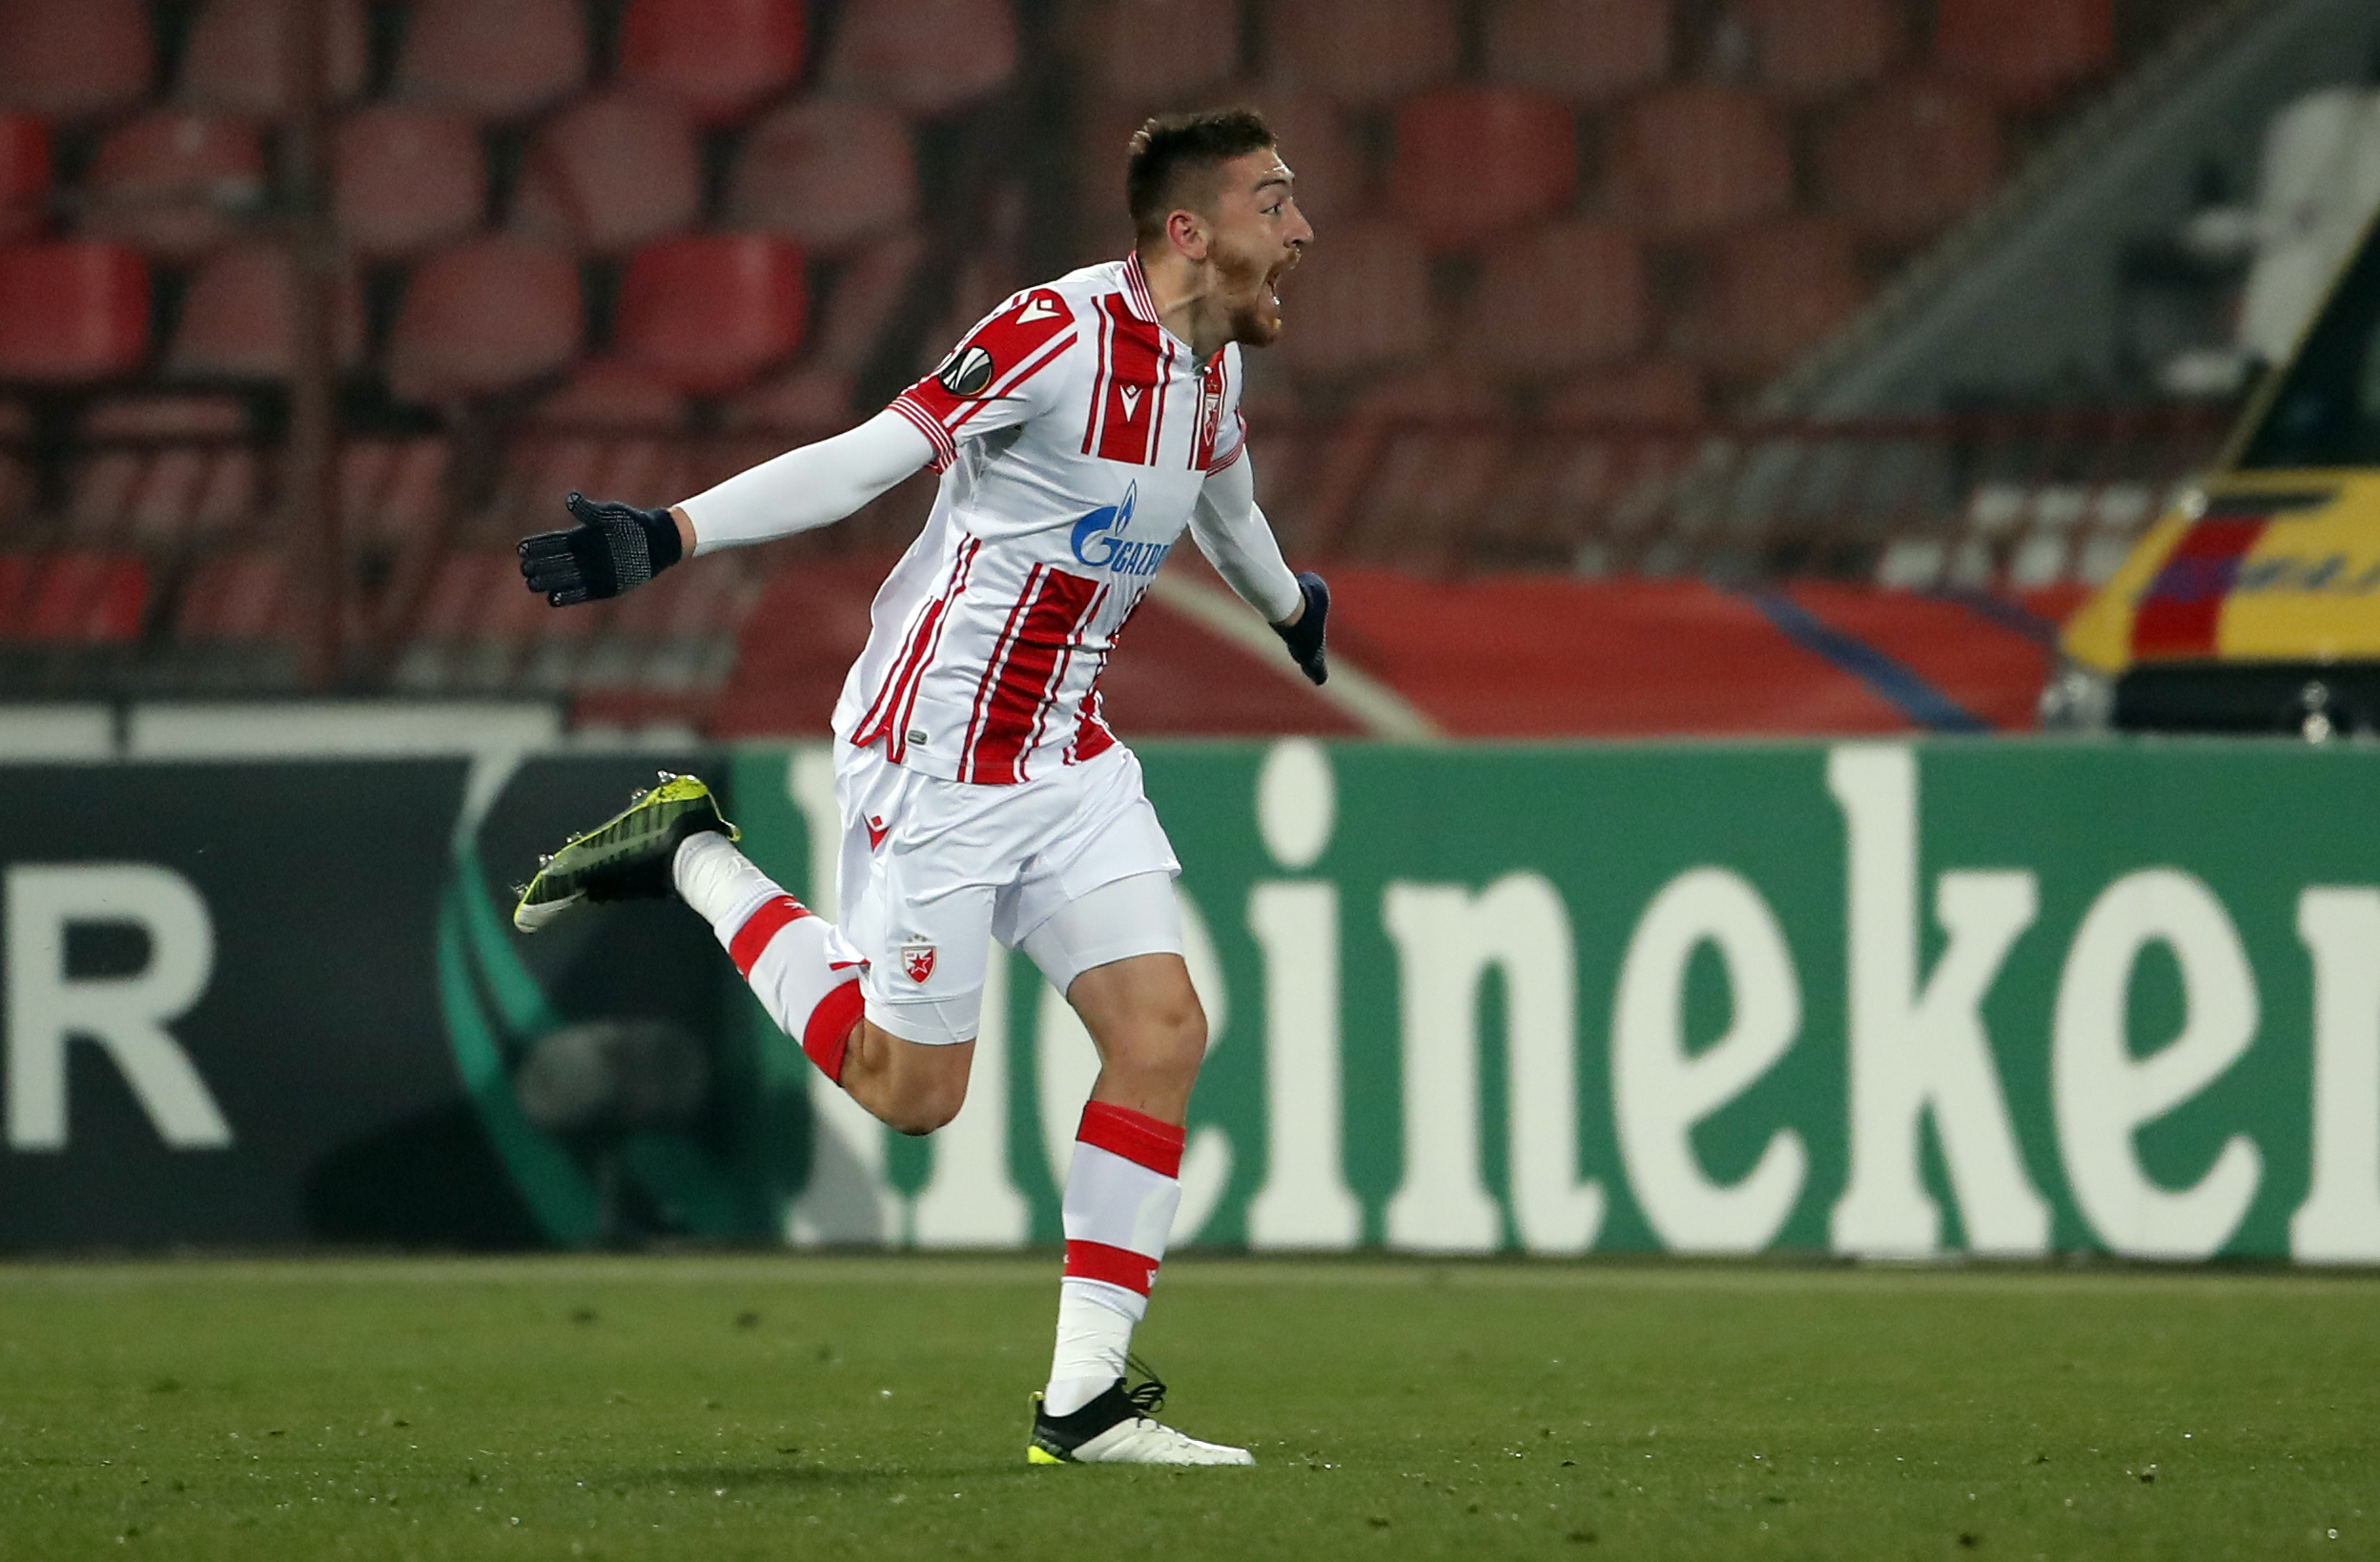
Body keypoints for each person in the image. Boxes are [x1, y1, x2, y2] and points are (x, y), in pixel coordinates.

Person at [509, 109, 1323, 1467]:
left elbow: (1232, 517)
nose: (1300, 230)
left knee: (1162, 1029)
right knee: (911, 1091)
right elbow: (874, 456)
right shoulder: (1052, 335)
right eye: (1274, 202)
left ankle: (1084, 1403)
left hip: (1065, 751)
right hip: (935, 750)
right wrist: (672, 531)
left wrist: (1295, 608)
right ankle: (693, 851)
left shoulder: (1215, 378)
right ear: (1191, 229)